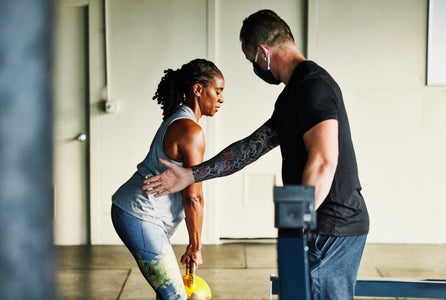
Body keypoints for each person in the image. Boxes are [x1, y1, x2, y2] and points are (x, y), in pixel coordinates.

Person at [142, 10, 370, 300]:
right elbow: (252, 147)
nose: (255, 67)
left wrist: (298, 224)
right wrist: (190, 174)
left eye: (252, 61)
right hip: (320, 224)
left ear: (264, 53)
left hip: (333, 225)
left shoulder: (314, 87)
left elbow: (324, 160)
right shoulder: (293, 95)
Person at [111, 58, 225, 300]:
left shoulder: (180, 120)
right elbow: (193, 197)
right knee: (176, 296)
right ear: (197, 89)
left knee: (169, 292)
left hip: (140, 212)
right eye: (218, 91)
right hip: (140, 213)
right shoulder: (190, 131)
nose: (221, 99)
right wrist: (196, 246)